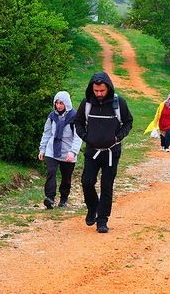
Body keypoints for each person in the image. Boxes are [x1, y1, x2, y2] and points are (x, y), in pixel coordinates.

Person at [73, 72, 133, 234]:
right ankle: (93, 208)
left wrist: (117, 137)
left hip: (111, 152)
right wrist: (86, 137)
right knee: (86, 182)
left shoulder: (118, 103)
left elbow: (128, 122)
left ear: (109, 88)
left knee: (107, 186)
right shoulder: (87, 103)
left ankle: (102, 220)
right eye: (96, 91)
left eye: (102, 91)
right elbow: (78, 122)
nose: (98, 94)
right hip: (92, 151)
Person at [39, 91, 82, 209]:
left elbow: (78, 137)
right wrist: (42, 149)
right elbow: (47, 133)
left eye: (61, 103)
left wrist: (73, 152)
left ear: (67, 104)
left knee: (66, 177)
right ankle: (50, 198)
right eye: (56, 103)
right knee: (51, 173)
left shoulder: (75, 118)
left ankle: (63, 198)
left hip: (68, 152)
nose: (58, 106)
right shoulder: (52, 117)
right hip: (52, 150)